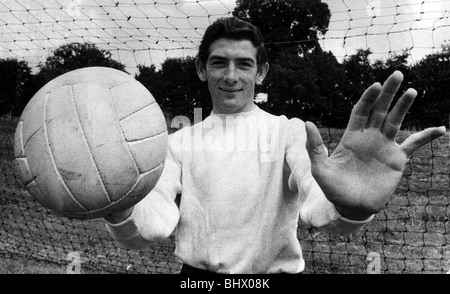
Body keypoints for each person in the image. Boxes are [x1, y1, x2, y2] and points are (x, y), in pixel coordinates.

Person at [104, 17, 446, 274]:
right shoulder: (178, 143)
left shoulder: (288, 133)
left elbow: (318, 204)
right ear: (201, 69)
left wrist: (353, 206)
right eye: (219, 62)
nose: (231, 76)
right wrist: (118, 204)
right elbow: (152, 224)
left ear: (262, 72)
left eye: (244, 64)